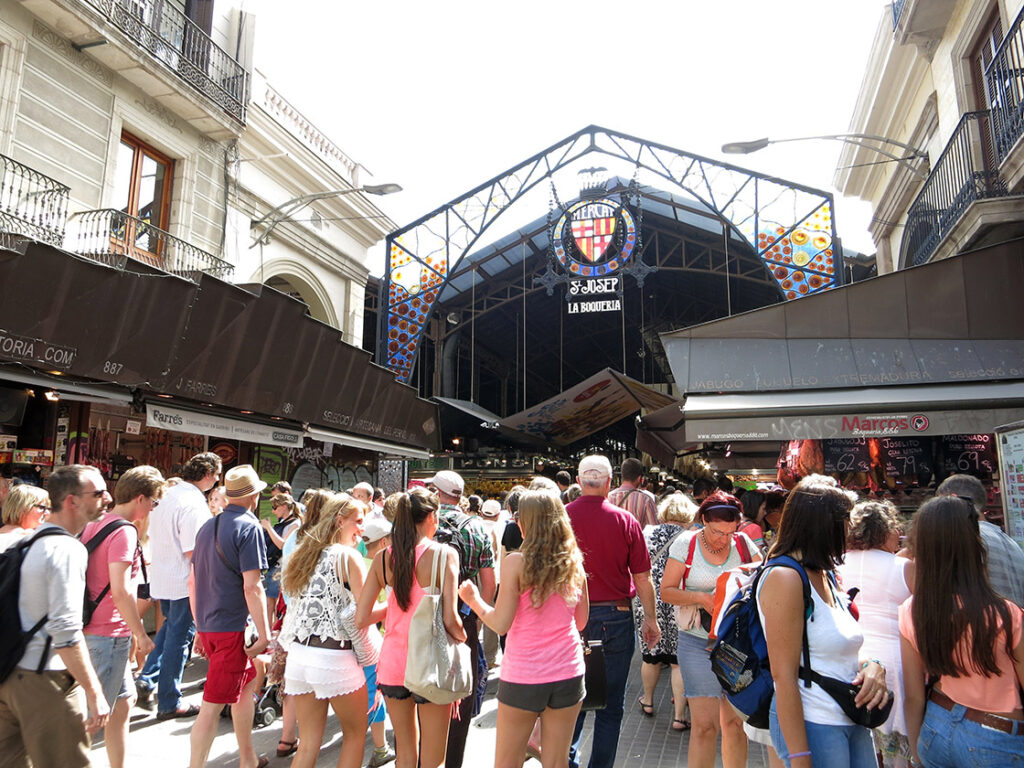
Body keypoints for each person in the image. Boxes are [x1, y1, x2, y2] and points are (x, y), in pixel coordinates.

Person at [757, 475, 887, 768]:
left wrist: (872, 665)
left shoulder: (825, 573)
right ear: (823, 524)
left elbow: (840, 642)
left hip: (848, 716)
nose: (850, 529)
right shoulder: (786, 578)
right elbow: (784, 676)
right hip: (815, 722)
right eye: (846, 520)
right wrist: (801, 757)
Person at [459, 490, 588, 768]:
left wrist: (473, 601)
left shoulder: (516, 562)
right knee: (557, 762)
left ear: (526, 522)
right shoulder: (574, 560)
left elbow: (500, 623)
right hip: (568, 671)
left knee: (507, 761)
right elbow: (581, 621)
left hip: (525, 674)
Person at [899, 495, 1024, 767]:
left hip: (935, 726)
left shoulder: (912, 609)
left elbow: (913, 696)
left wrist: (917, 753)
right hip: (996, 739)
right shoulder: (1007, 614)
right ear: (973, 544)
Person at [0, 465, 110, 766]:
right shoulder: (66, 548)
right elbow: (66, 631)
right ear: (72, 501)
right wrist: (94, 691)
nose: (108, 498)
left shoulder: (26, 541)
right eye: (98, 493)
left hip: (9, 673)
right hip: (44, 678)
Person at [355, 488, 466, 768]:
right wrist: (462, 638)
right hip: (430, 663)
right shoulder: (444, 554)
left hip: (393, 663)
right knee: (433, 757)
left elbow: (361, 618)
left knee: (405, 751)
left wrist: (393, 607)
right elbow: (451, 618)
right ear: (430, 516)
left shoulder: (383, 558)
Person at [565, 455, 660, 768]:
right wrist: (650, 618)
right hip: (616, 618)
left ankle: (565, 760)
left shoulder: (563, 518)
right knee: (610, 705)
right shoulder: (624, 521)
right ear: (609, 484)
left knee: (570, 700)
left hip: (569, 619)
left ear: (579, 482)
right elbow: (642, 577)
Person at [660, 491, 760, 768]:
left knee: (733, 723)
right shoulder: (686, 543)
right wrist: (702, 598)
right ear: (703, 520)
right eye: (718, 532)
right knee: (704, 726)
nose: (724, 539)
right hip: (696, 643)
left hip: (737, 645)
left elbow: (764, 581)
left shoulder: (743, 544)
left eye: (730, 532)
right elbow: (666, 592)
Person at [81, 465, 165, 768]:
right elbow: (121, 590)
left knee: (122, 705)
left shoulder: (96, 521)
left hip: (94, 629)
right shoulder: (124, 531)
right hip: (109, 634)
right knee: (92, 718)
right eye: (154, 502)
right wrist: (140, 634)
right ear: (141, 499)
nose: (153, 509)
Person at [188, 464, 271, 768]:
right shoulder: (249, 529)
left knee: (245, 688)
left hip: (211, 625)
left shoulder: (208, 526)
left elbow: (194, 581)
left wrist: (199, 626)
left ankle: (247, 757)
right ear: (254, 496)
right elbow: (253, 587)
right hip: (232, 627)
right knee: (211, 706)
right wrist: (265, 634)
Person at [280, 493, 371, 768]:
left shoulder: (305, 553)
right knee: (355, 736)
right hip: (334, 658)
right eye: (358, 521)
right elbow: (363, 615)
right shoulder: (348, 557)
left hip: (299, 656)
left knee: (307, 744)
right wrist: (395, 605)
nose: (362, 528)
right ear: (339, 520)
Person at [136, 451, 222, 717]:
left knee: (170, 632)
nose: (217, 481)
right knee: (179, 638)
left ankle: (147, 678)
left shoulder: (168, 496)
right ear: (207, 475)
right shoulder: (192, 503)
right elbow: (194, 552)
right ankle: (169, 700)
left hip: (165, 576)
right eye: (217, 476)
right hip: (184, 580)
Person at [836, 500, 913, 767]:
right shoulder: (902, 568)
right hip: (897, 663)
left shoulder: (836, 566)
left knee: (865, 744)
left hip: (852, 662)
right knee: (900, 754)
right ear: (885, 530)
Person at [429, 470, 496, 768]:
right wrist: (479, 616)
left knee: (425, 690)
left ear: (435, 491)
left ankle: (425, 757)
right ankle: (454, 761)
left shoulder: (423, 522)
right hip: (464, 617)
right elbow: (490, 584)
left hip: (423, 617)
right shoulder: (477, 527)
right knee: (461, 695)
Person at [634, 492, 698, 732]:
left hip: (650, 603)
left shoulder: (647, 533)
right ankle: (680, 716)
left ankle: (648, 701)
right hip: (681, 603)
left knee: (651, 654)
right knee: (678, 662)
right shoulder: (693, 537)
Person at [936, 474, 1024, 607]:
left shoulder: (968, 536)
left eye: (940, 504)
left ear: (954, 500)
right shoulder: (1010, 542)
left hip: (985, 625)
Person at [360, 515, 397, 767]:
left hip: (350, 642)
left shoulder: (356, 561)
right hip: (374, 639)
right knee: (376, 693)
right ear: (384, 541)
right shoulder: (381, 566)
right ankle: (381, 747)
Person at [260, 492, 302, 621]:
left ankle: (272, 630)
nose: (273, 512)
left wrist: (268, 527)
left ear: (284, 506)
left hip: (282, 568)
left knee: (275, 602)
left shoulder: (295, 524)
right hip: (276, 566)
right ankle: (269, 629)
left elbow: (283, 545)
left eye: (275, 507)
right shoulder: (284, 522)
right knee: (269, 601)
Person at [608, 457, 658, 529]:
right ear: (639, 478)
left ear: (622, 476)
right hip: (636, 539)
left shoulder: (608, 497)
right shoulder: (646, 500)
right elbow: (654, 530)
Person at [0, 484, 50, 550]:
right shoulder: (31, 542)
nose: (47, 513)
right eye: (42, 507)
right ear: (23, 508)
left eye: (48, 508)